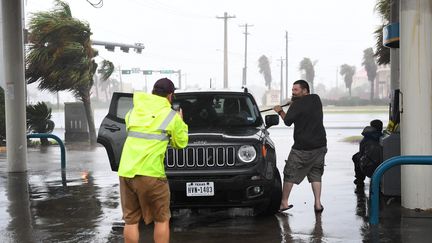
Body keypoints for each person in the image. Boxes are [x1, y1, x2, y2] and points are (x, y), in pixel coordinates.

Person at [118, 78, 189, 243]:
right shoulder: (171, 116)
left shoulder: (134, 111)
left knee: (130, 220)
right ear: (170, 95)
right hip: (151, 174)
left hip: (126, 171)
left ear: (153, 91)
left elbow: (133, 128)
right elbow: (181, 143)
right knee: (161, 219)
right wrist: (181, 121)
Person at [273, 80, 327, 213]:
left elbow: (287, 121)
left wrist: (279, 111)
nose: (293, 92)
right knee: (315, 173)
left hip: (302, 148)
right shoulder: (315, 99)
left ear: (305, 90)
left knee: (290, 172)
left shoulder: (296, 105)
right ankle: (318, 204)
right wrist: (294, 103)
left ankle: (284, 203)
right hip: (320, 146)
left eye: (296, 90)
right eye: (292, 90)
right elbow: (304, 107)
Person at [352, 119, 383, 191]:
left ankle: (359, 181)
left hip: (368, 168)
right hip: (382, 167)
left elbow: (361, 153)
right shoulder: (382, 137)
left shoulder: (366, 138)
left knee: (356, 157)